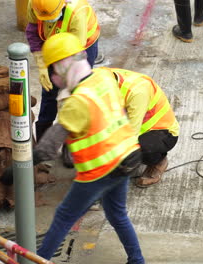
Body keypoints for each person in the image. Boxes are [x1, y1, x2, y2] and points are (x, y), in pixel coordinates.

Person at [26, 32, 144, 263]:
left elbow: (48, 148)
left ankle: (39, 261)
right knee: (117, 214)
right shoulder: (103, 78)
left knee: (63, 217)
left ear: (62, 66)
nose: (53, 77)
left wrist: (18, 167)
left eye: (53, 70)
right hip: (129, 156)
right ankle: (137, 260)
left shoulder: (75, 103)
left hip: (101, 168)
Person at [25, 0, 101, 142]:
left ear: (64, 4)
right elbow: (33, 32)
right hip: (52, 43)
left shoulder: (76, 12)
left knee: (77, 92)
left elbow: (74, 54)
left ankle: (73, 142)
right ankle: (44, 140)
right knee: (49, 91)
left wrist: (68, 87)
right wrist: (42, 67)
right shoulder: (35, 3)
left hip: (81, 47)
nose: (48, 22)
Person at [106, 68, 179, 188]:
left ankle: (158, 162)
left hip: (162, 132)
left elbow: (131, 135)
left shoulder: (137, 92)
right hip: (134, 126)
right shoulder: (101, 76)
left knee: (139, 148)